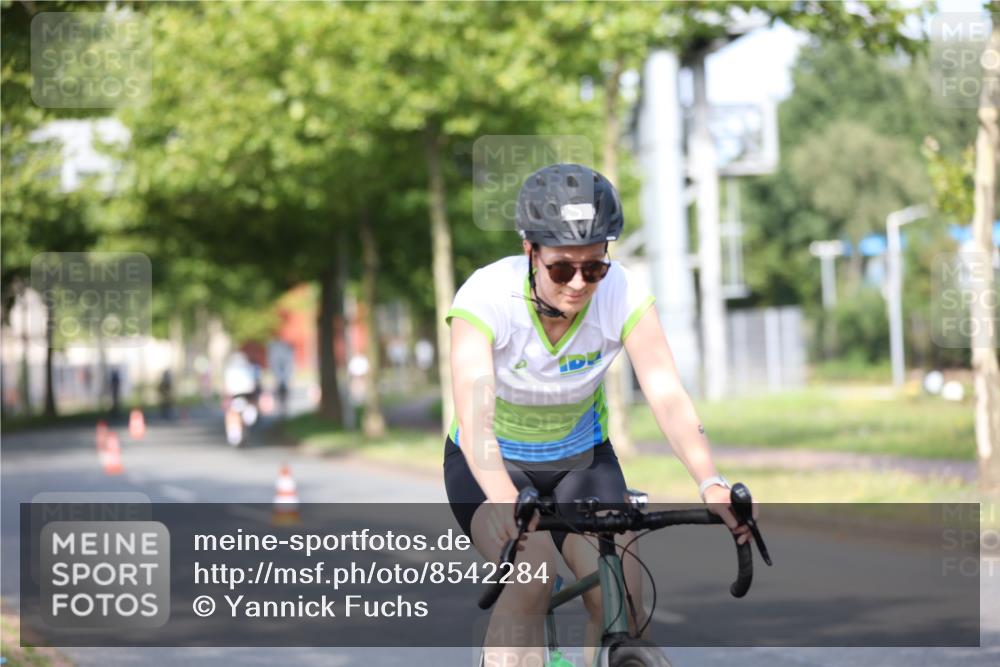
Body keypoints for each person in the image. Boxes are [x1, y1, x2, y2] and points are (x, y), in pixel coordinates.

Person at [444, 163, 756, 664]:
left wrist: (710, 482)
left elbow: (666, 392)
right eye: (562, 268)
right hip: (492, 465)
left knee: (626, 600)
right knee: (533, 577)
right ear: (530, 251)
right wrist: (504, 497)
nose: (578, 283)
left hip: (581, 463)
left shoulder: (624, 294)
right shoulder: (485, 297)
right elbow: (474, 413)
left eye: (594, 267)